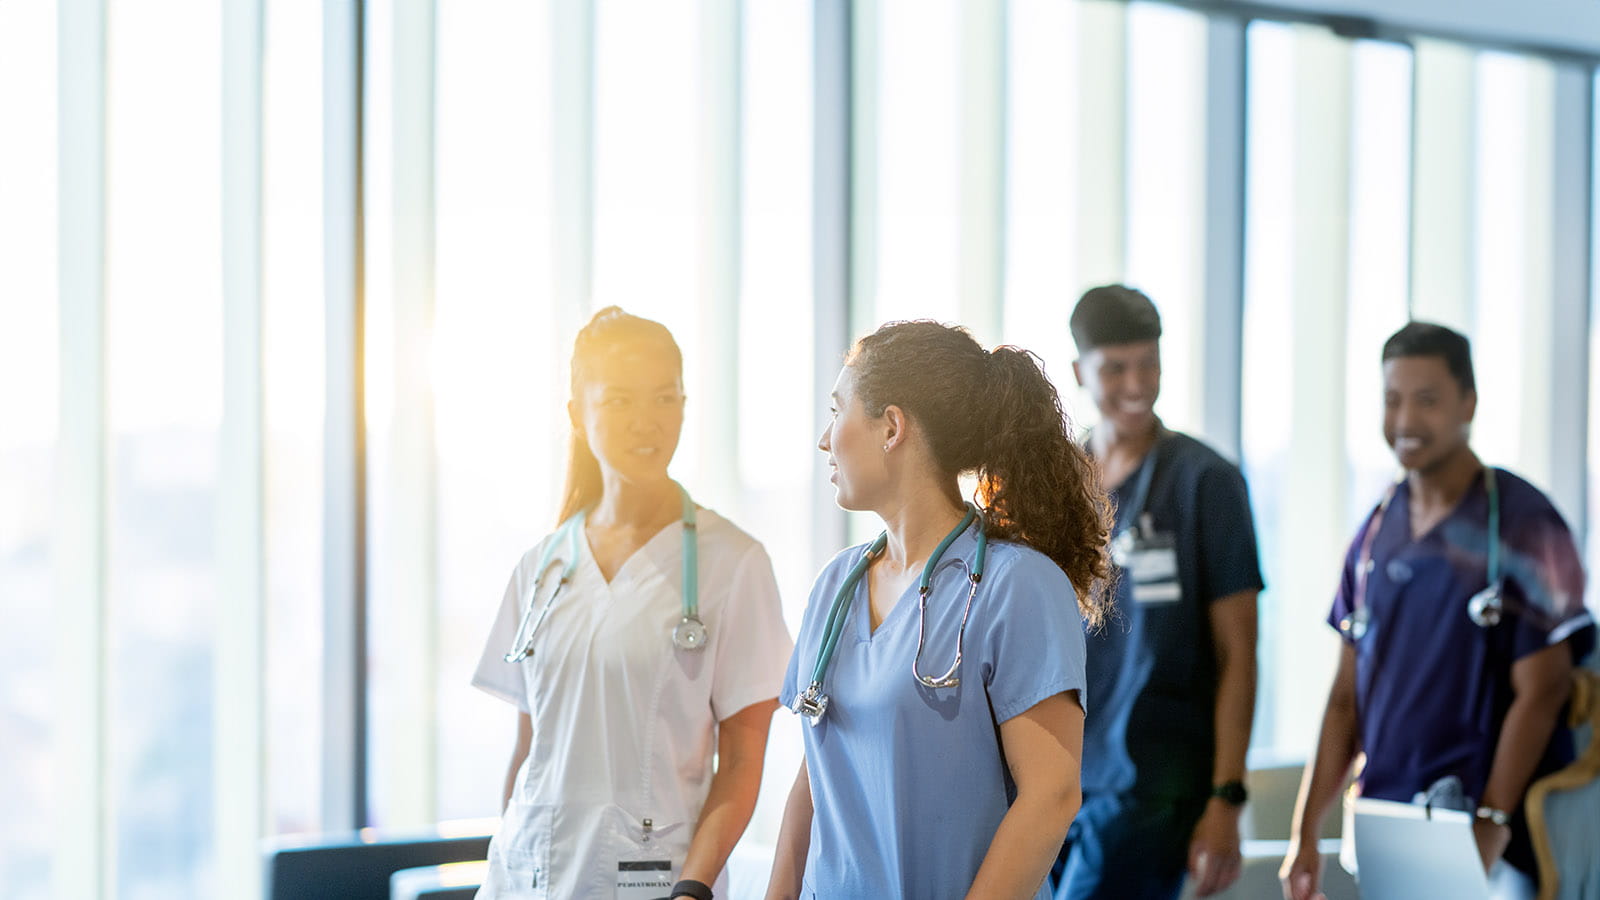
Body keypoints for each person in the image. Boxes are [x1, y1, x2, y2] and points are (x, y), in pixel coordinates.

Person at [762, 320, 1114, 900]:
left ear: (892, 427)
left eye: (837, 411)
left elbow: (1051, 795)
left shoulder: (1016, 585)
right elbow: (815, 780)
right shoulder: (836, 586)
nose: (825, 439)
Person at [472, 307, 793, 900]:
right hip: (524, 879)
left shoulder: (734, 563)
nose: (647, 420)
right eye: (619, 400)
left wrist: (694, 887)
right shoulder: (541, 566)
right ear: (576, 413)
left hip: (658, 884)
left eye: (665, 398)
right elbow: (529, 752)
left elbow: (743, 764)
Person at [1280, 321, 1596, 900]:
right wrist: (1305, 831)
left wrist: (1491, 826)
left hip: (1493, 842)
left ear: (1468, 402)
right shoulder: (1375, 534)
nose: (1404, 422)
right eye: (1392, 400)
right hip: (1388, 828)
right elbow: (1345, 699)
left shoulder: (1526, 524)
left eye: (1427, 401)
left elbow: (1545, 689)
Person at [1051, 285, 1264, 900]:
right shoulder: (1057, 483)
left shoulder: (1207, 482)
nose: (1137, 383)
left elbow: (1239, 653)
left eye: (1150, 363)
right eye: (1115, 368)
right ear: (1079, 371)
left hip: (1151, 788)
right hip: (1054, 778)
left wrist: (1227, 798)